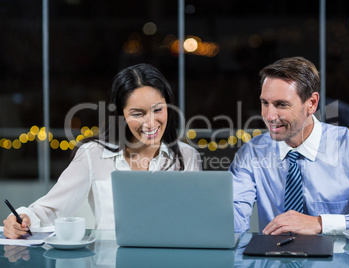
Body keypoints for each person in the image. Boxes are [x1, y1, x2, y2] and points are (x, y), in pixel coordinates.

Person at [3, 63, 202, 238]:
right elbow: (50, 210)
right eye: (137, 113)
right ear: (120, 114)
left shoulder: (186, 156)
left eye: (158, 110)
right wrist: (22, 219)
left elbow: (198, 220)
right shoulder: (93, 155)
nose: (151, 122)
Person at [230, 56, 349, 235]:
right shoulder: (252, 153)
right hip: (274, 260)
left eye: (281, 104)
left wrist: (321, 223)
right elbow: (232, 219)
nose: (269, 116)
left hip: (341, 260)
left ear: (311, 104)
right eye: (265, 103)